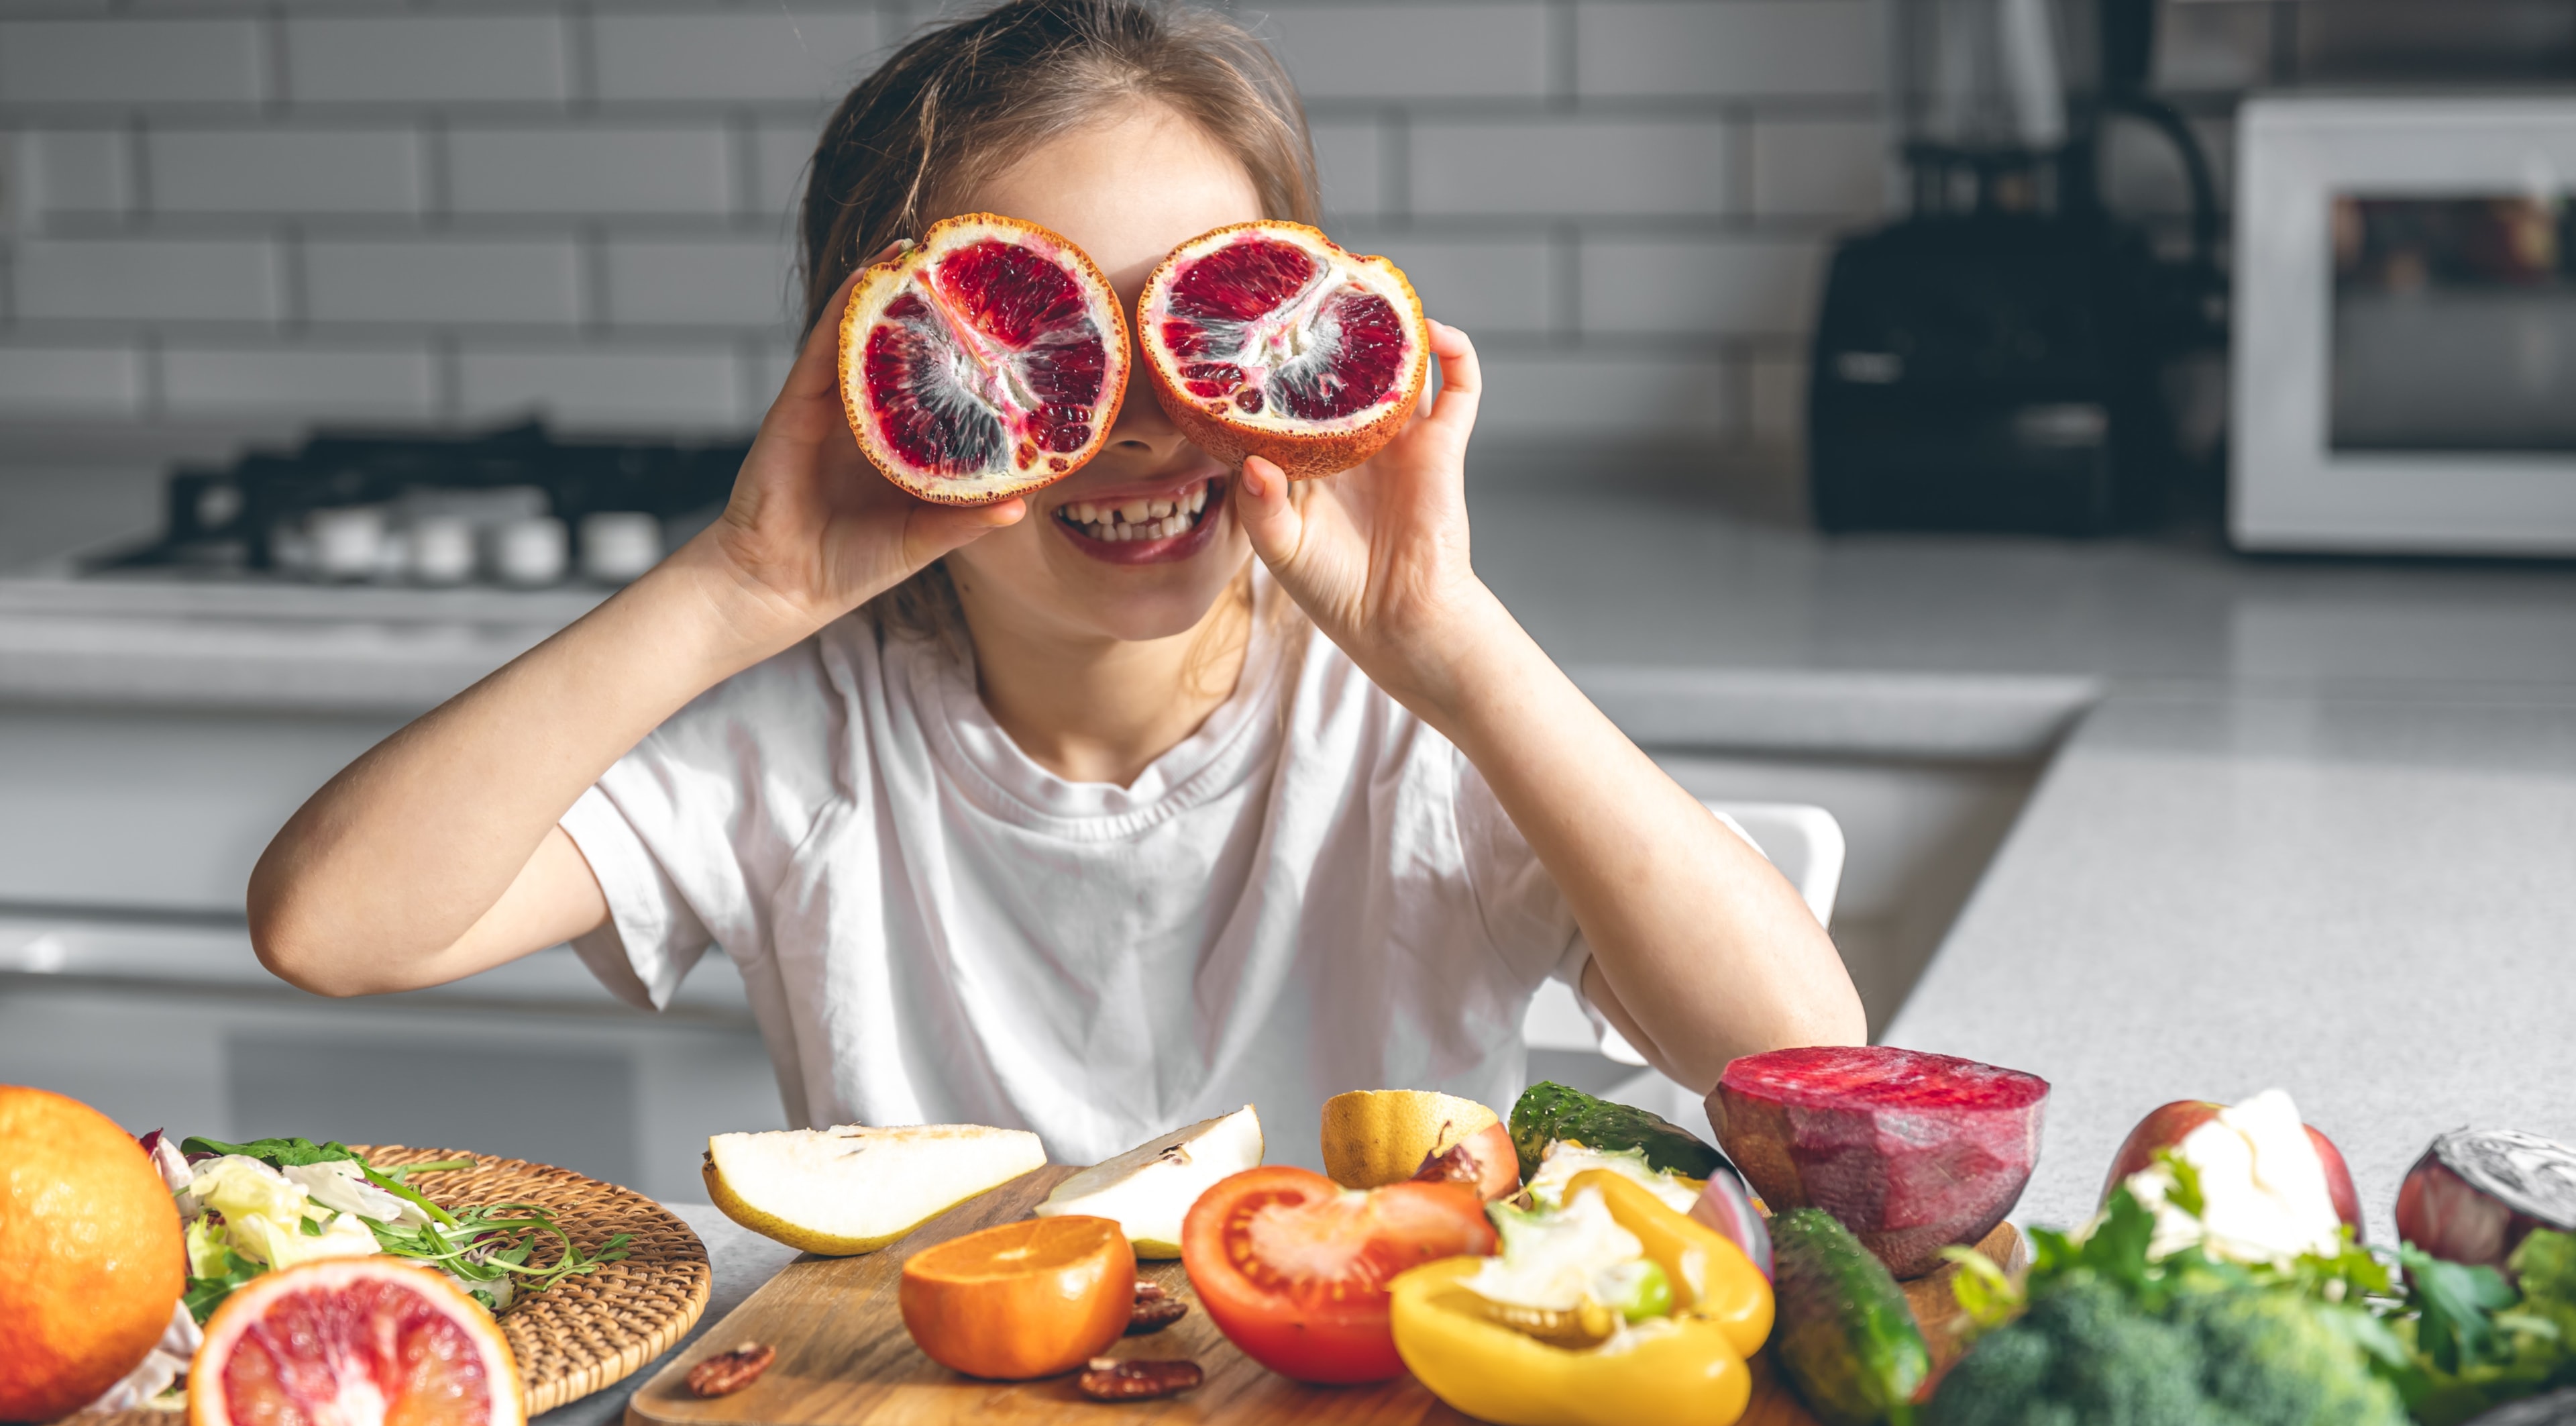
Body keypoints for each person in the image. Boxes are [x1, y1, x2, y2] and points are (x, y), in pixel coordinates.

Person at [246, 0, 1863, 1172]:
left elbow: (1812, 1069)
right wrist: (739, 582)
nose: (1148, 423)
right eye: (1050, 344)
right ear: (892, 385)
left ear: (1299, 351)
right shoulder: (809, 753)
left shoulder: (1410, 738)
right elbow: (331, 926)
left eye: (1203, 328)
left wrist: (1451, 642)